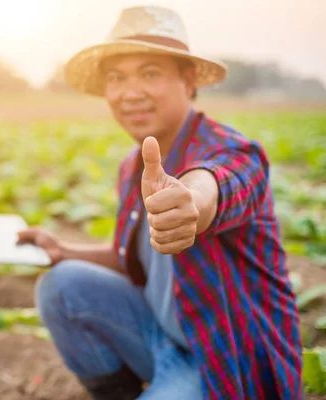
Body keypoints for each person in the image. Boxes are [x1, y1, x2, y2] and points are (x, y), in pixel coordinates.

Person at [17, 5, 302, 400]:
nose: (130, 93)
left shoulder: (234, 151)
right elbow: (133, 261)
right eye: (116, 78)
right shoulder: (132, 168)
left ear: (188, 82)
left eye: (150, 73)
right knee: (62, 285)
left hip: (225, 360)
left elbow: (218, 184)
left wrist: (192, 204)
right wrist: (63, 250)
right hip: (160, 336)